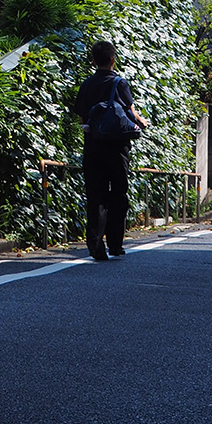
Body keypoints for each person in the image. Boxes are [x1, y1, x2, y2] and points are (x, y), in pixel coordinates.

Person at [72, 41, 150, 261]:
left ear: (94, 61)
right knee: (118, 194)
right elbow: (132, 114)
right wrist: (141, 122)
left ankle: (96, 247)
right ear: (113, 59)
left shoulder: (86, 85)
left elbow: (82, 117)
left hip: (93, 146)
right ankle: (115, 244)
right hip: (117, 148)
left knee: (95, 196)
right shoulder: (120, 83)